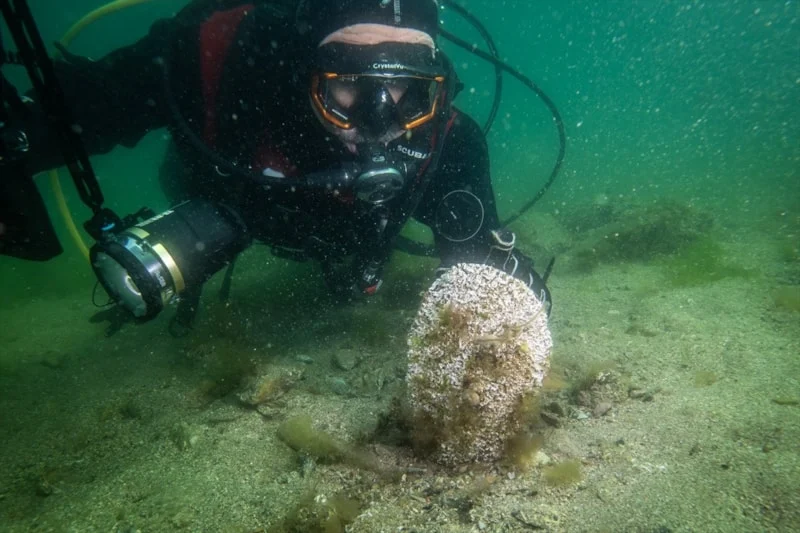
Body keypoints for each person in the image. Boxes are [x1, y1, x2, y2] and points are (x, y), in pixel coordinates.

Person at [22, 0, 551, 328]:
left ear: (436, 86)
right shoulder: (216, 58)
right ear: (305, 72)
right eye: (345, 85)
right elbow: (75, 114)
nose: (378, 120)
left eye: (404, 89)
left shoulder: (450, 142)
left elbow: (477, 270)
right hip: (222, 192)